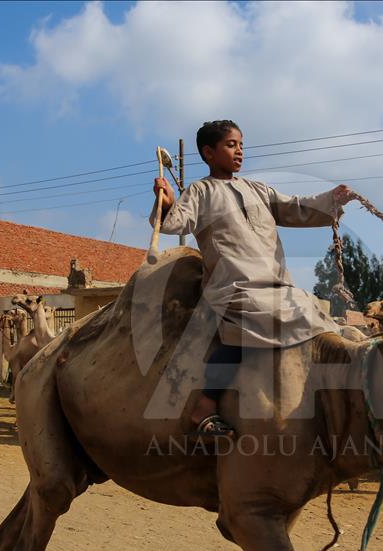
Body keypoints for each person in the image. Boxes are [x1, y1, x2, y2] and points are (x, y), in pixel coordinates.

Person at [151, 120, 356, 437]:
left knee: (316, 312)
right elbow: (175, 221)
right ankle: (205, 404)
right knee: (261, 319)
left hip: (276, 283)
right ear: (208, 152)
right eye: (231, 145)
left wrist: (332, 199)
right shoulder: (200, 192)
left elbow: (296, 207)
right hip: (233, 286)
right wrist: (165, 202)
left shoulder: (258, 190)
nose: (239, 151)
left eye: (241, 145)